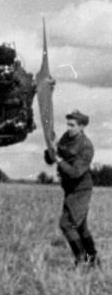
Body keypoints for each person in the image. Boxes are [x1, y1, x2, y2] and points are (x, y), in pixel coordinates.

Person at [49, 110, 99, 268]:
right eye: (67, 124)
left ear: (82, 126)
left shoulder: (86, 146)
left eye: (72, 125)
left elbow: (75, 172)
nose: (68, 127)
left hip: (81, 189)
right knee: (80, 226)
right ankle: (93, 260)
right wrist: (50, 149)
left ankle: (82, 259)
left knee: (67, 224)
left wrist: (57, 158)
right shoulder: (66, 137)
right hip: (69, 188)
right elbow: (54, 157)